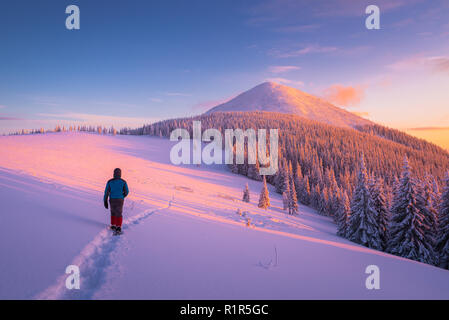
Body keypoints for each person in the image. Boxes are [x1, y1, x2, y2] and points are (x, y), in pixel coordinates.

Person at [104, 168, 129, 234]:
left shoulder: (110, 181)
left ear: (114, 173)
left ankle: (113, 225)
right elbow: (127, 191)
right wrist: (123, 196)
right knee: (119, 213)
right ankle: (118, 227)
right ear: (120, 174)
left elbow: (106, 192)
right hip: (120, 200)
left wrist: (105, 200)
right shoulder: (123, 182)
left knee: (113, 212)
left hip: (112, 199)